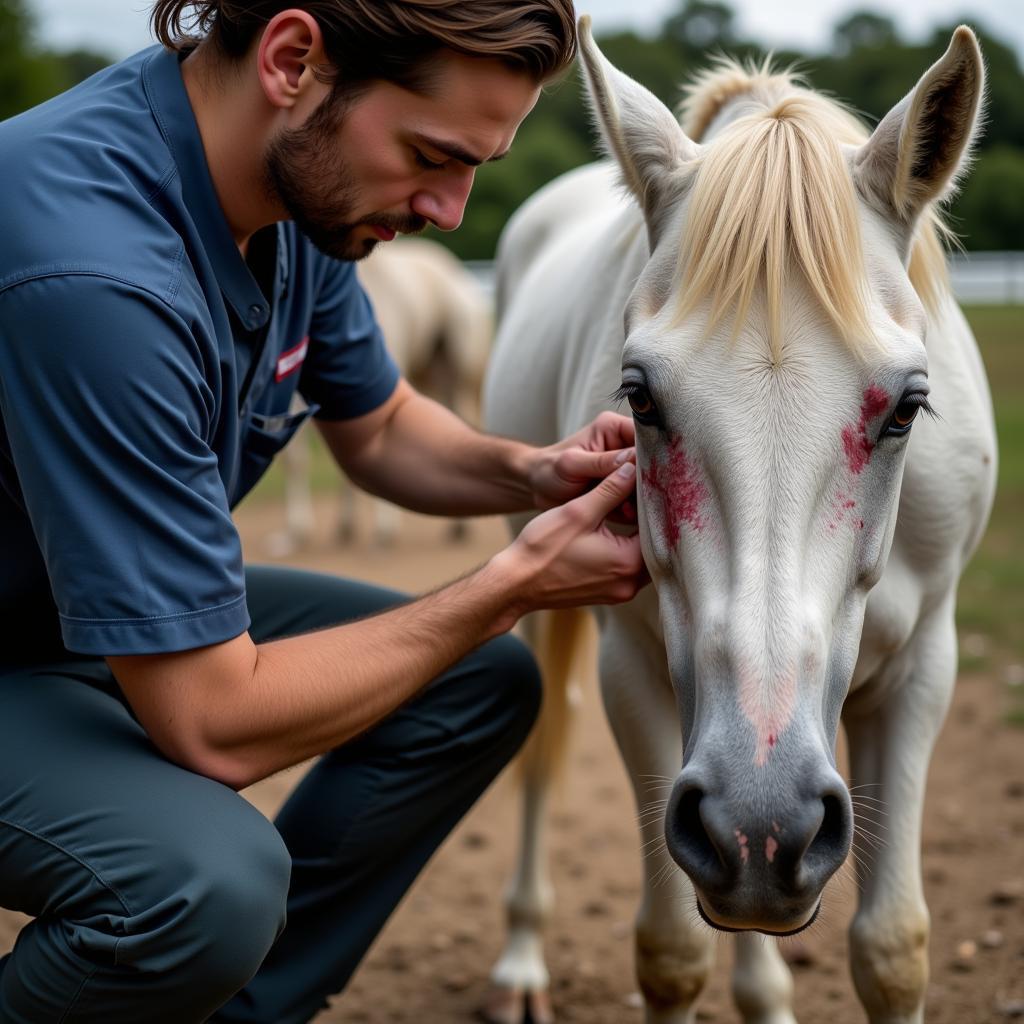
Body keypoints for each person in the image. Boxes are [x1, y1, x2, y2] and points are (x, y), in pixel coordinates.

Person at [0, 2, 648, 1022]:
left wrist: (535, 471)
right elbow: (213, 724)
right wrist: (509, 584)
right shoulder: (97, 275)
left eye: (475, 164)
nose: (451, 209)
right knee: (202, 886)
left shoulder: (289, 198)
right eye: (434, 154)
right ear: (293, 59)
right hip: (27, 640)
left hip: (52, 598)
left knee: (475, 682)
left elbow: (382, 427)